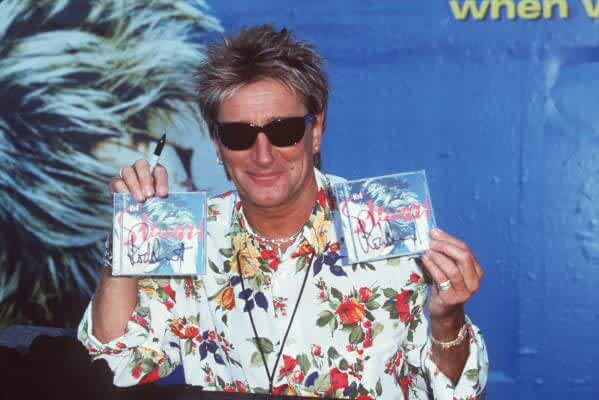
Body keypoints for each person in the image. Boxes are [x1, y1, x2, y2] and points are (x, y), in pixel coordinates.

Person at [78, 24, 488, 399]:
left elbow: (455, 393)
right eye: (238, 135)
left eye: (283, 130)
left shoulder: (385, 221)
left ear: (316, 131)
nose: (263, 155)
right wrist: (126, 242)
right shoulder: (188, 235)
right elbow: (117, 365)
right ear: (217, 145)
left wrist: (447, 320)